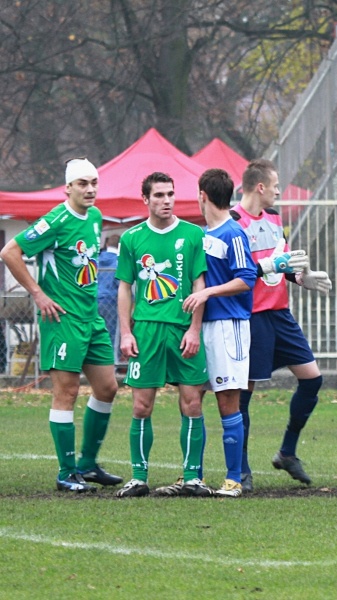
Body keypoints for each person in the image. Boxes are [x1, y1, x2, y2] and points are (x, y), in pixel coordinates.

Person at [0, 158, 121, 493]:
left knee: (108, 388)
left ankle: (88, 464)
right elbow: (10, 251)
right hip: (62, 319)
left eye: (94, 182)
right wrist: (38, 294)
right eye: (82, 183)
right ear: (68, 187)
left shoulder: (95, 217)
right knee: (66, 392)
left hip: (91, 316)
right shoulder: (55, 219)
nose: (90, 189)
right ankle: (67, 472)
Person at [154, 169, 256, 498]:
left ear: (202, 195)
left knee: (228, 402)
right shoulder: (201, 234)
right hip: (200, 329)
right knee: (191, 398)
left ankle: (233, 479)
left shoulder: (233, 233)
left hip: (229, 328)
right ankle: (191, 477)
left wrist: (208, 293)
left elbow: (246, 279)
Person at [231, 158, 332, 491]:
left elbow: (283, 263)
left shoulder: (274, 219)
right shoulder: (234, 221)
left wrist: (302, 277)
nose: (278, 191)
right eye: (275, 185)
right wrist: (271, 265)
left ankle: (287, 452)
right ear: (260, 187)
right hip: (252, 316)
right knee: (245, 393)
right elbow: (240, 271)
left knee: (312, 380)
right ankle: (241, 469)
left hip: (280, 313)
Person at [114, 172, 211, 498]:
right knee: (141, 406)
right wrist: (126, 333)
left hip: (183, 330)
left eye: (170, 194)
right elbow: (125, 288)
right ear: (146, 200)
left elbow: (200, 286)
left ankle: (192, 478)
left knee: (192, 403)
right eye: (159, 195)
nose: (166, 200)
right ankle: (139, 477)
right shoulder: (131, 239)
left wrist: (195, 329)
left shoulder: (193, 234)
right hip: (146, 331)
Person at [97, 234, 120, 362]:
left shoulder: (96, 259)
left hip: (93, 299)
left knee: (94, 333)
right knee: (111, 333)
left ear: (106, 244)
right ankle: (112, 362)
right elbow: (121, 285)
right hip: (111, 300)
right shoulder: (119, 261)